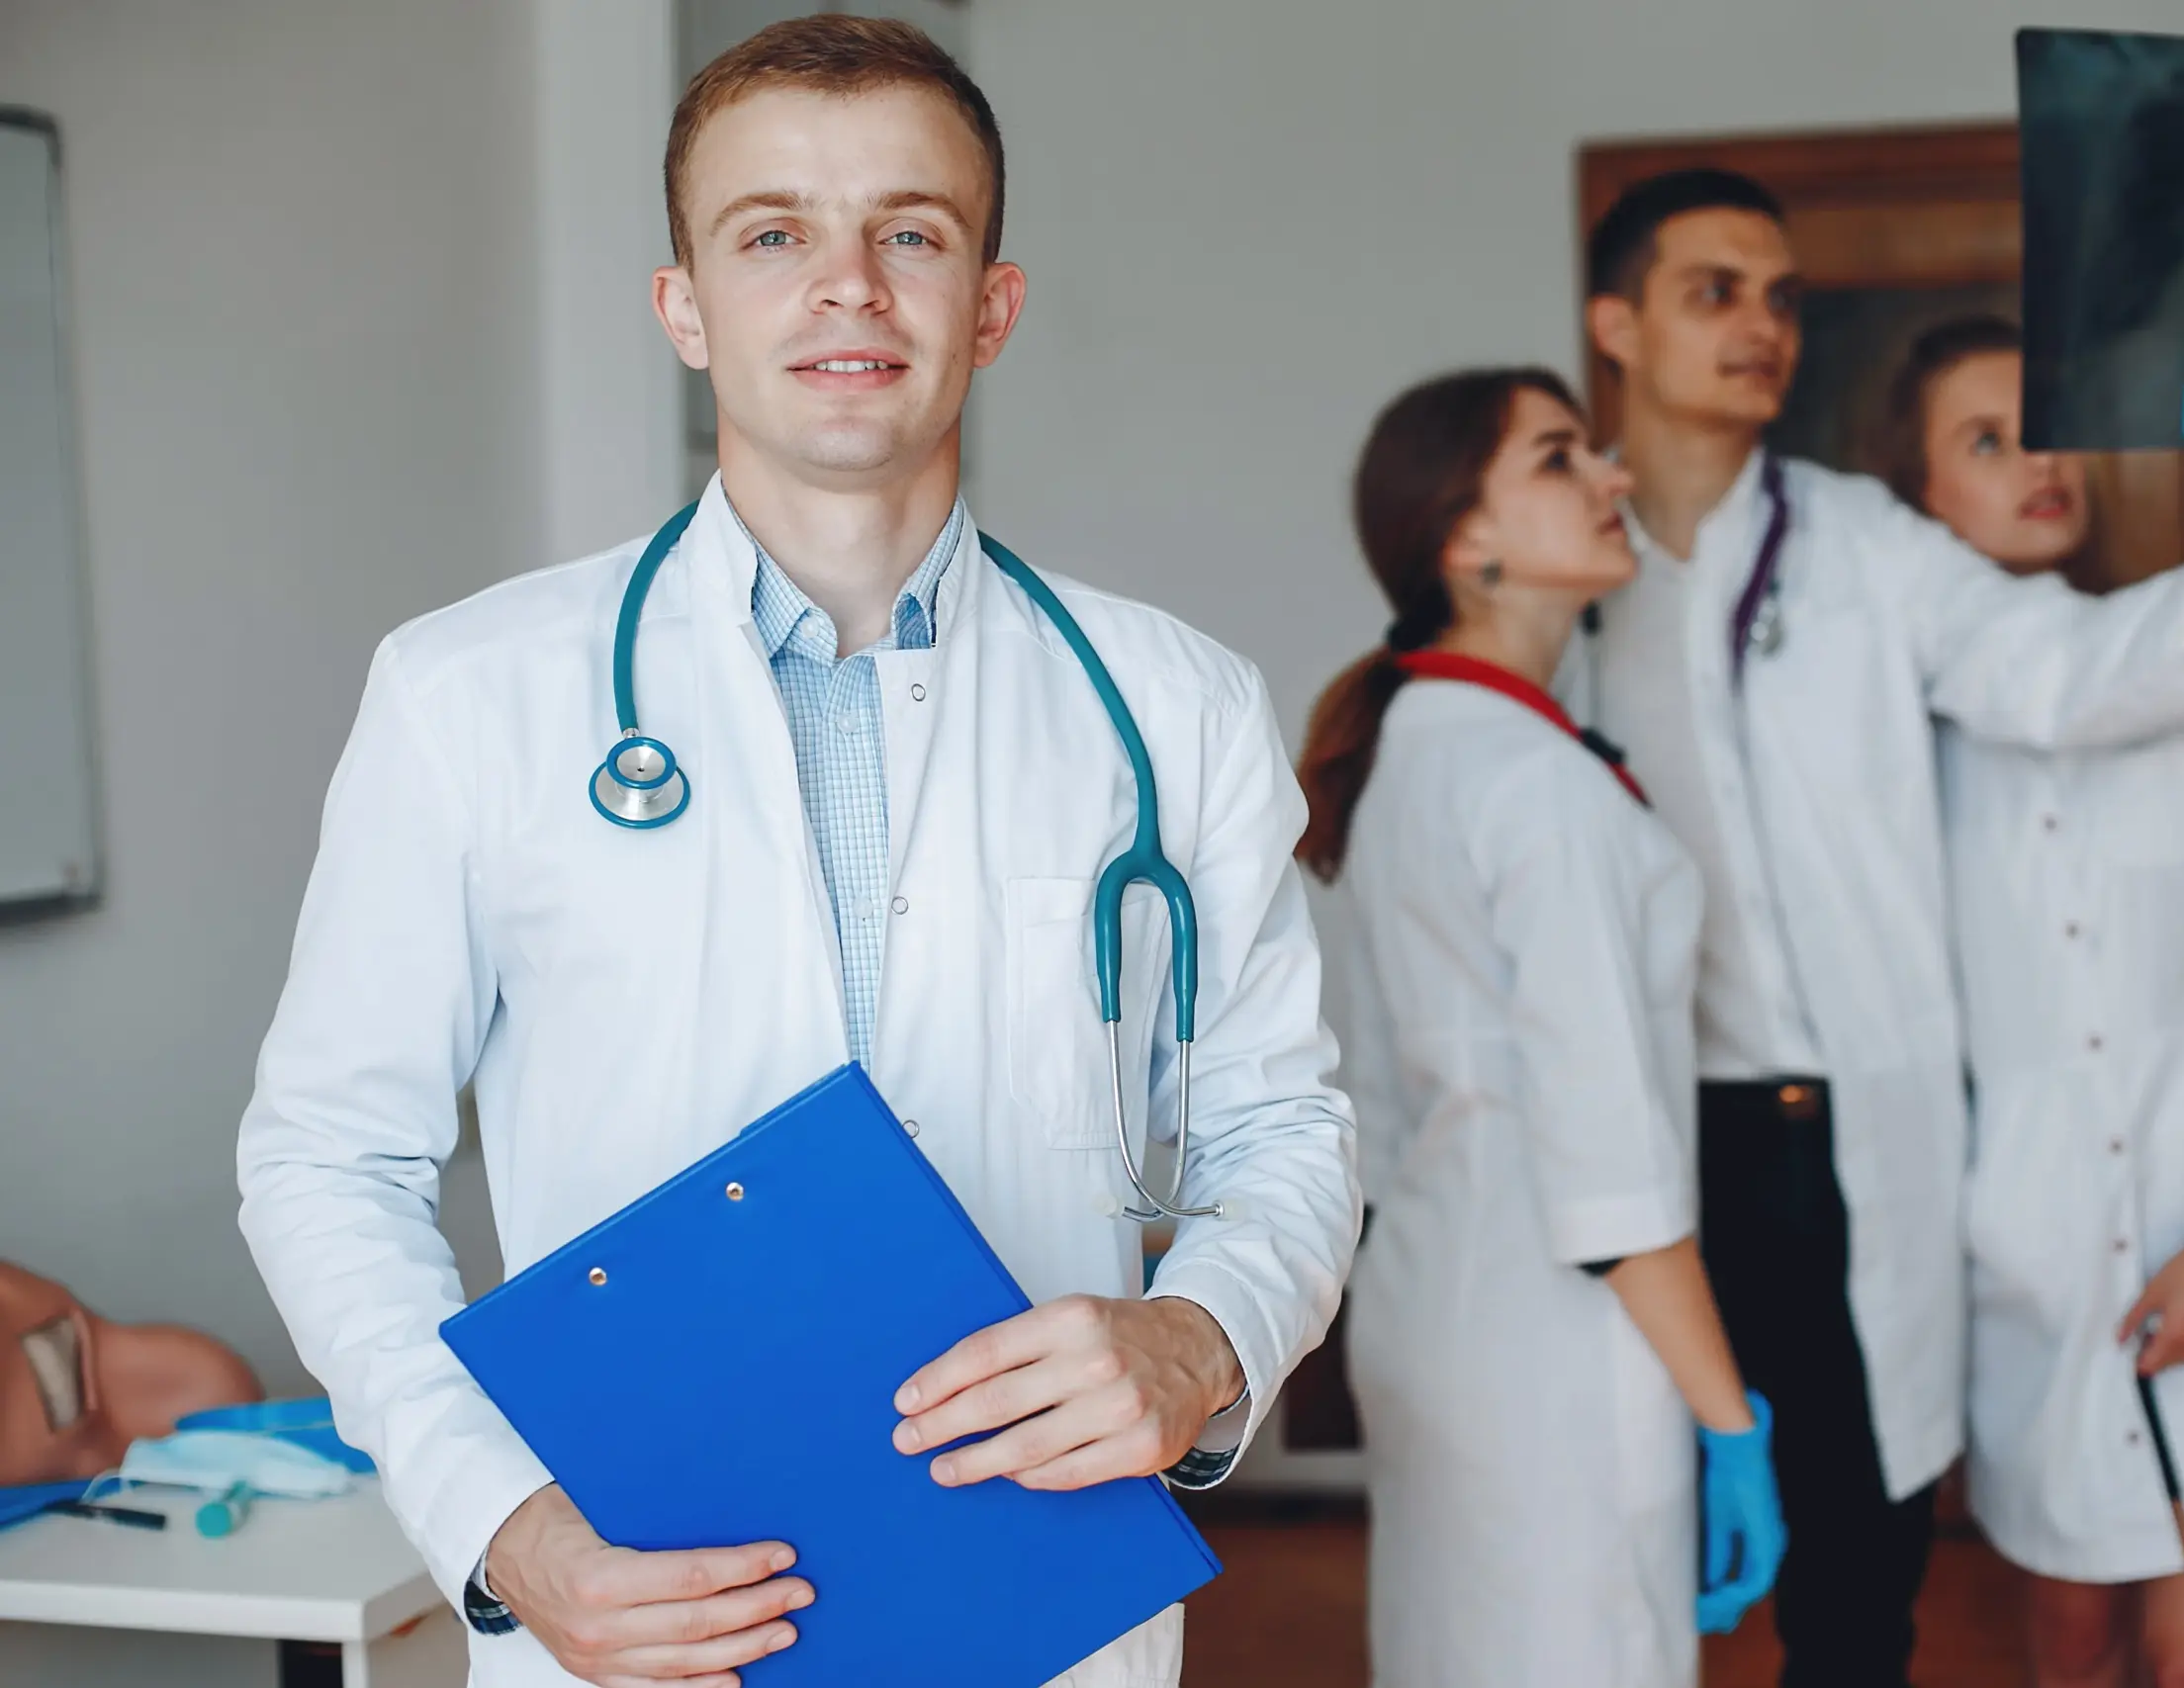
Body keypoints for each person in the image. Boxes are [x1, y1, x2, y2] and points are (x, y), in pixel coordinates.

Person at [234, 19, 1356, 1688]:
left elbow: (1285, 1128)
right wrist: (503, 1520)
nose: (849, 285)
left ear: (992, 302)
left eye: (911, 231)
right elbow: (326, 1158)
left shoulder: (1172, 704)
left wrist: (1199, 1338)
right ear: (685, 306)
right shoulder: (469, 691)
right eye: (774, 234)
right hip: (644, 1602)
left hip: (1040, 1598)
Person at [1571, 167, 2184, 1688]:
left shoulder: (1867, 547)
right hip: (1653, 1142)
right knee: (1621, 1561)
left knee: (1859, 1591)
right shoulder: (1564, 562)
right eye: (1714, 289)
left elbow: (2063, 669)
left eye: (1782, 296)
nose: (1762, 324)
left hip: (1855, 1146)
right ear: (1617, 324)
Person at [1301, 367, 1784, 1688]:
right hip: (1558, 1349)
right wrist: (1726, 1415)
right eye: (1563, 458)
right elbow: (1612, 1176)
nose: (1614, 475)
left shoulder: (1423, 743)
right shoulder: (1536, 788)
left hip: (1439, 1310)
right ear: (1469, 539)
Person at [1887, 315, 2184, 1688]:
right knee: (2071, 1642)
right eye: (1985, 439)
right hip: (2029, 1262)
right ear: (1918, 508)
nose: (2037, 458)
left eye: (2046, 425)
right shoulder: (1907, 744)